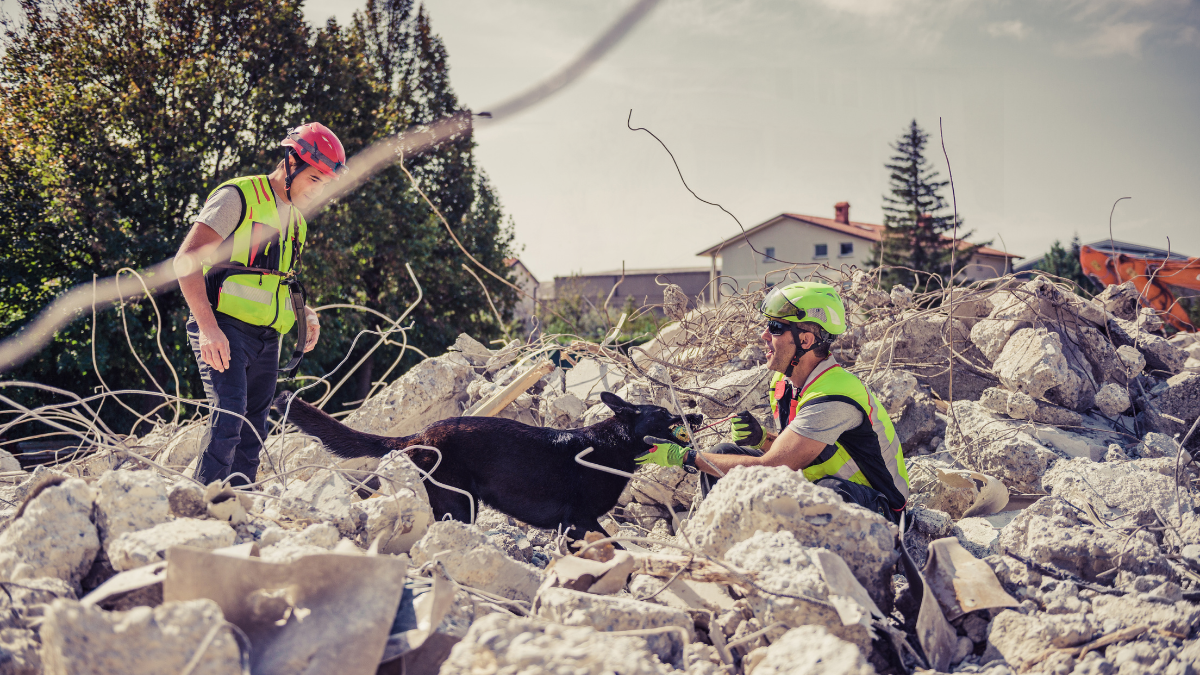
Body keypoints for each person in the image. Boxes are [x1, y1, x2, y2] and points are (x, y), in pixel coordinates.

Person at [636, 282, 910, 523]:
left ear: (806, 340)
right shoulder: (785, 384)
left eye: (776, 327)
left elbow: (775, 467)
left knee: (825, 493)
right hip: (821, 488)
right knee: (724, 453)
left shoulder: (834, 397)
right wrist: (762, 438)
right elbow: (802, 451)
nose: (764, 335)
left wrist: (686, 456)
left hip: (879, 511)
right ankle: (724, 543)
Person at [173, 123, 347, 486]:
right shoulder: (238, 197)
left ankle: (239, 508)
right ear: (290, 162)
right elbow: (186, 262)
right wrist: (207, 328)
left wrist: (307, 314)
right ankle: (203, 507)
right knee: (229, 415)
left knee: (255, 425)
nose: (319, 191)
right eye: (315, 179)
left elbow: (275, 280)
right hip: (223, 326)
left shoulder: (297, 221)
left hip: (268, 336)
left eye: (325, 184)